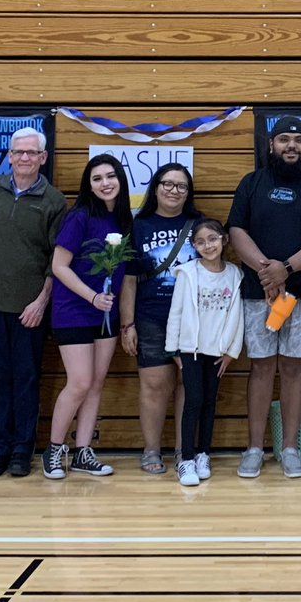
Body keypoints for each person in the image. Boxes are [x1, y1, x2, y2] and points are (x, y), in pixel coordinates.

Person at [227, 115, 301, 480]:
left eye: (298, 139)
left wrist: (286, 270)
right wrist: (267, 270)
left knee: (294, 368)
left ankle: (290, 448)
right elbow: (235, 230)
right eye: (284, 139)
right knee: (261, 366)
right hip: (258, 295)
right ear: (271, 145)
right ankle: (254, 449)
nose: (291, 145)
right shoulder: (252, 182)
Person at [0, 127, 67, 479]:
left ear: (43, 158)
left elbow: (57, 260)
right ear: (8, 156)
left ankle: (23, 451)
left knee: (26, 380)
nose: (24, 158)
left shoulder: (54, 201)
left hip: (30, 310)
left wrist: (41, 302)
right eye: (18, 152)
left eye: (32, 153)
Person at [43, 154, 133, 480]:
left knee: (95, 384)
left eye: (111, 176)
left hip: (105, 315)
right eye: (97, 178)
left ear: (120, 180)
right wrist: (92, 297)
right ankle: (53, 450)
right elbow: (59, 266)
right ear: (89, 184)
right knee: (79, 382)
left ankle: (83, 452)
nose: (105, 183)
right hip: (75, 311)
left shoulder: (124, 221)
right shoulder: (79, 217)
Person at [119, 162, 198, 475]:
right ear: (155, 187)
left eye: (181, 186)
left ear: (188, 193)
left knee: (189, 386)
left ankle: (183, 450)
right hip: (151, 316)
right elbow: (129, 280)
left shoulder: (199, 224)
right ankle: (151, 449)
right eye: (167, 183)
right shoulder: (138, 226)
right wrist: (127, 325)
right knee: (154, 385)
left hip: (194, 320)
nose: (173, 190)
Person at [165, 218, 244, 486]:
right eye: (200, 241)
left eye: (212, 239)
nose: (207, 245)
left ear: (224, 239)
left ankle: (203, 454)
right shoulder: (187, 273)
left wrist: (232, 351)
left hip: (218, 352)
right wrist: (173, 348)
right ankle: (186, 460)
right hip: (191, 350)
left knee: (210, 403)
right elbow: (176, 312)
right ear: (194, 246)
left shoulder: (235, 274)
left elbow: (238, 316)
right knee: (194, 401)